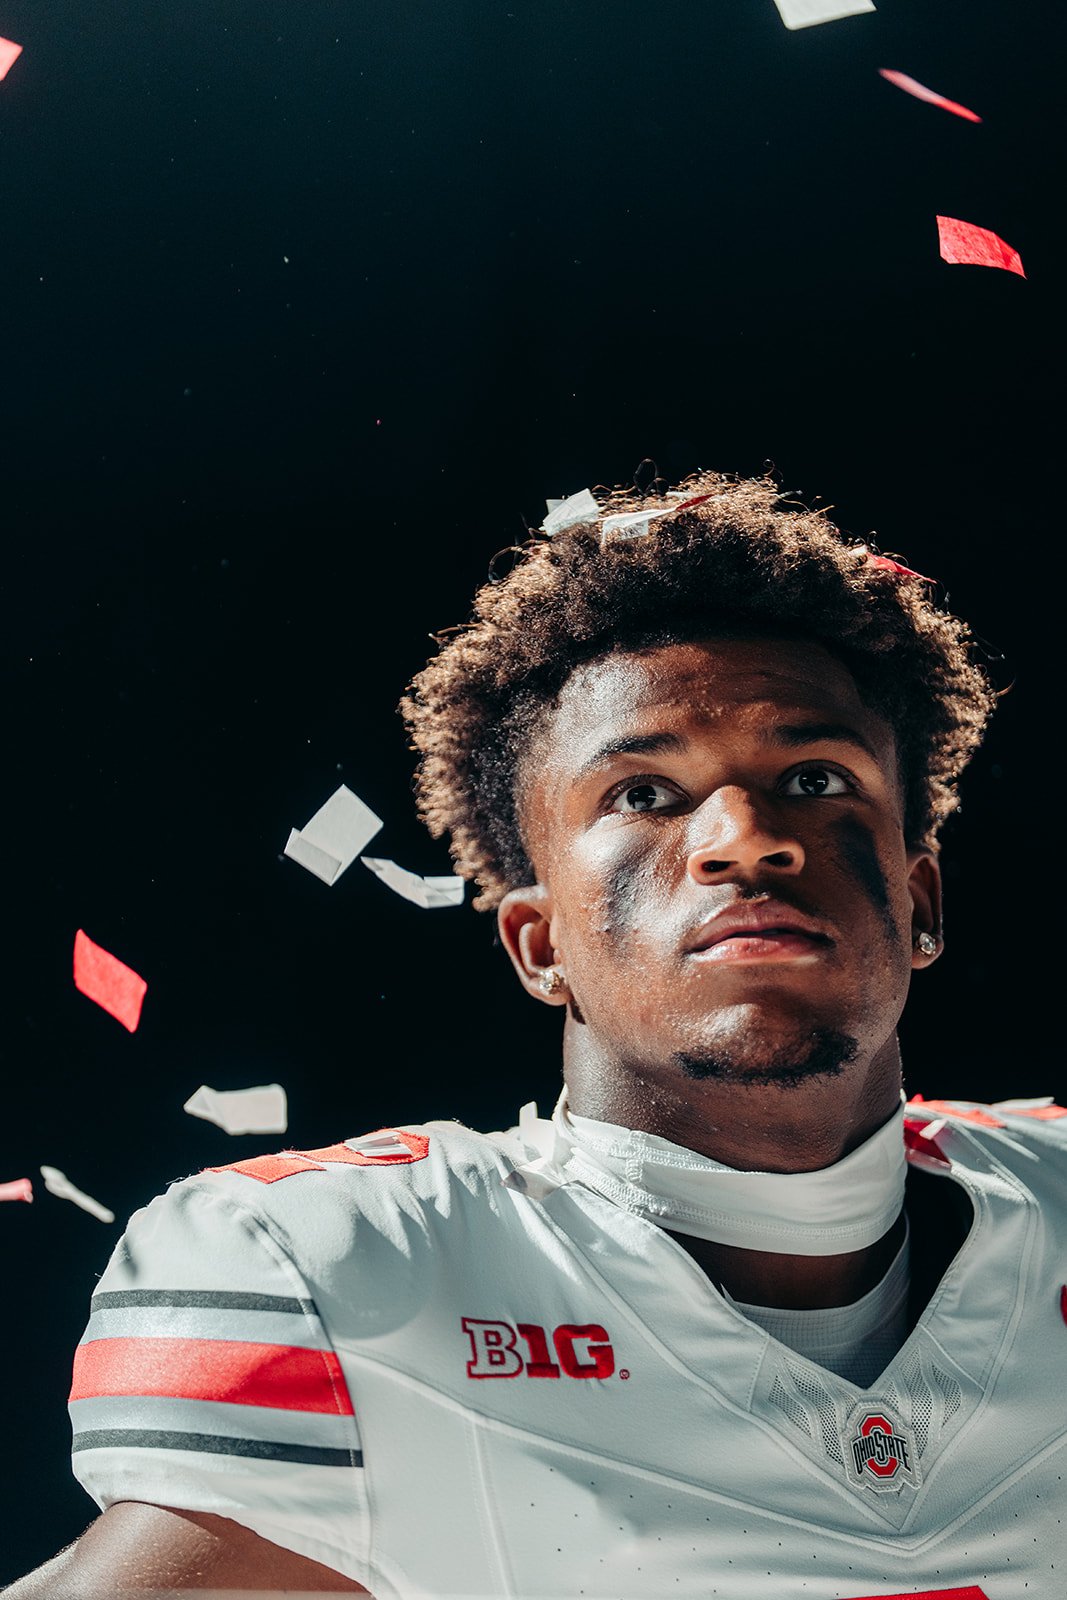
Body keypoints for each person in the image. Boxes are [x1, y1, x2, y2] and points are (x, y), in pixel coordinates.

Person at [9, 468, 1064, 1600]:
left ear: (920, 902)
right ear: (537, 943)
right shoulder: (350, 1271)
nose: (743, 837)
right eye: (642, 793)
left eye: (812, 777)